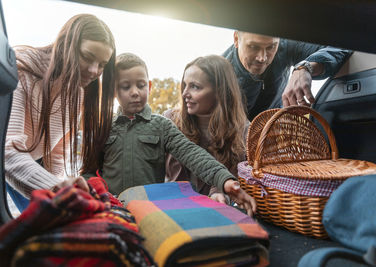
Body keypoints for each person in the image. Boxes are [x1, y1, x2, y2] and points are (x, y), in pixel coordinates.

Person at [82, 53, 257, 216]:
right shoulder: (103, 127)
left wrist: (224, 180)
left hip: (150, 211)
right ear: (113, 91)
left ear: (149, 86)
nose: (135, 92)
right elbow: (89, 171)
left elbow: (192, 154)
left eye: (141, 85)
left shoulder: (162, 125)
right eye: (125, 86)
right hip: (109, 208)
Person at [5, 14, 116, 212]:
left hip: (30, 159)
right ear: (67, 44)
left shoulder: (79, 94)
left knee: (56, 217)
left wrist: (61, 193)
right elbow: (7, 150)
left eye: (102, 64)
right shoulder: (22, 68)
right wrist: (57, 190)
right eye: (87, 57)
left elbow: (56, 155)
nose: (94, 70)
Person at [164, 55, 249, 204]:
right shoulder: (170, 121)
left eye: (195, 86)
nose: (185, 94)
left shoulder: (243, 132)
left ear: (219, 91)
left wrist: (220, 194)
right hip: (171, 205)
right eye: (185, 85)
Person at [223, 31, 352, 120]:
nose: (262, 58)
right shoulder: (218, 73)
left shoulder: (286, 44)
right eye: (253, 46)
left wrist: (304, 68)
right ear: (236, 39)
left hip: (276, 128)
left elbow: (340, 46)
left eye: (271, 47)